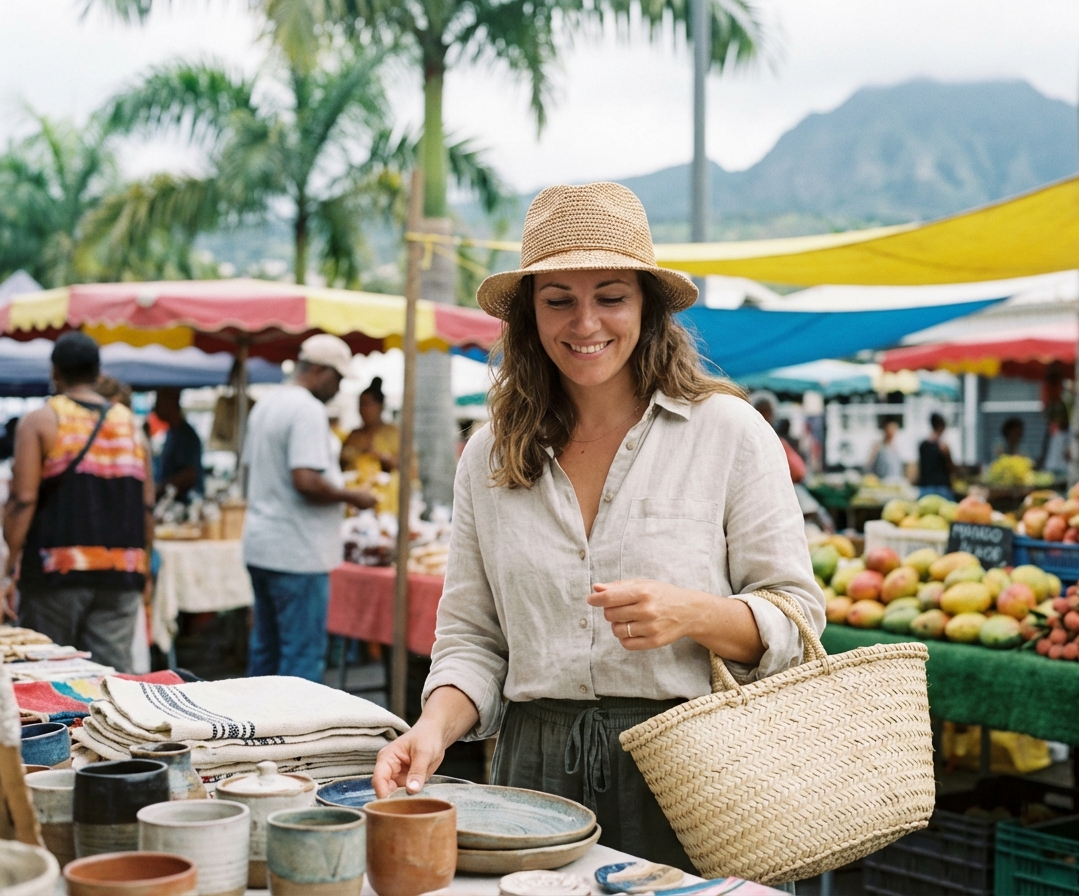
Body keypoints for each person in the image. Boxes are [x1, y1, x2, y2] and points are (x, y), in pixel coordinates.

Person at [371, 183, 824, 867]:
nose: (585, 323)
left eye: (610, 296)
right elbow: (472, 638)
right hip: (533, 778)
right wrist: (432, 728)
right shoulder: (488, 453)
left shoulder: (728, 433)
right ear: (531, 315)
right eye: (559, 300)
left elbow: (799, 622)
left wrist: (694, 613)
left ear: (647, 304)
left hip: (694, 769)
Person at [2, 333, 154, 671]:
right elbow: (147, 506)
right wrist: (145, 568)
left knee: (49, 676)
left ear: (54, 372)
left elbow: (22, 500)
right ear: (98, 373)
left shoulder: (42, 420)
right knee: (109, 683)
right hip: (121, 574)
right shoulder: (131, 425)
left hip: (56, 571)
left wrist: (8, 564)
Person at [241, 334, 377, 682]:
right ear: (322, 371)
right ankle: (292, 735)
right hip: (296, 552)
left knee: (266, 652)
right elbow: (305, 479)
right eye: (339, 379)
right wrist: (352, 497)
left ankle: (253, 732)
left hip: (263, 545)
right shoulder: (307, 409)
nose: (338, 388)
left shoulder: (267, 404)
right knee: (301, 658)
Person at [340, 377, 402, 475]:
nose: (362, 409)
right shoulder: (354, 435)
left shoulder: (394, 433)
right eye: (360, 404)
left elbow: (407, 466)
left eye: (367, 404)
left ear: (380, 406)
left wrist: (380, 457)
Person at [153, 388, 205, 502]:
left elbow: (189, 474)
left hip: (185, 504)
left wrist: (159, 489)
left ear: (170, 401)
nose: (155, 407)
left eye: (158, 401)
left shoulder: (186, 435)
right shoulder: (171, 432)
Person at [752, 394, 807, 483]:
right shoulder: (774, 441)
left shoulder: (777, 441)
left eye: (767, 412)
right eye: (762, 412)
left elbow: (798, 472)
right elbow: (798, 472)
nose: (765, 416)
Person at [917, 412, 955, 499]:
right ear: (941, 426)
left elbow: (921, 467)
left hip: (925, 487)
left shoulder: (922, 445)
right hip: (941, 488)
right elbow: (950, 467)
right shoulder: (943, 447)